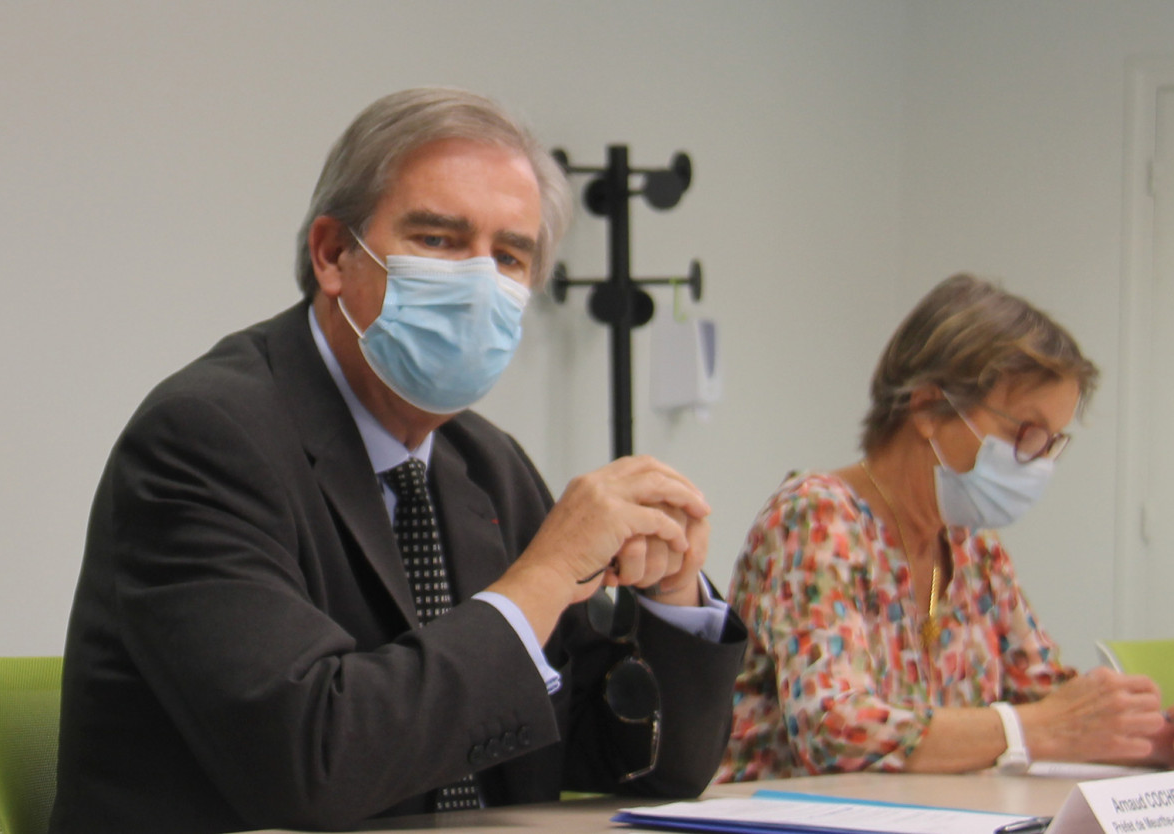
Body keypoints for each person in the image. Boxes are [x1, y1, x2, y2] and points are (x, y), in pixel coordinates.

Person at [50, 88, 746, 834]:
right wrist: (542, 581)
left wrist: (673, 602)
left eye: (509, 256)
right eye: (440, 241)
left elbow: (635, 766)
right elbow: (313, 764)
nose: (481, 283)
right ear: (332, 255)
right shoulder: (204, 438)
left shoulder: (489, 465)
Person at [715, 274, 1174, 781]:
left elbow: (1047, 700)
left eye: (1050, 442)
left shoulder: (972, 546)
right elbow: (835, 729)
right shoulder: (817, 517)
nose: (1037, 461)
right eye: (1025, 432)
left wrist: (1161, 739)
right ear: (927, 407)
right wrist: (1030, 727)